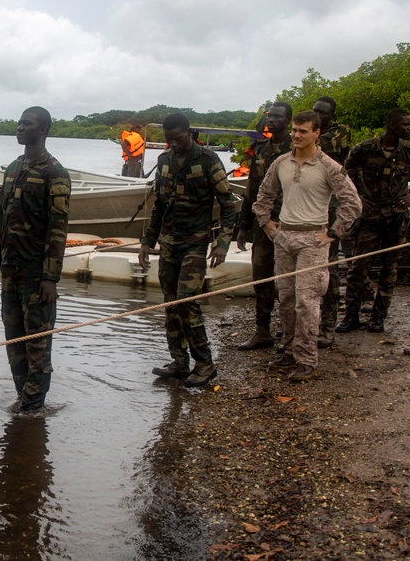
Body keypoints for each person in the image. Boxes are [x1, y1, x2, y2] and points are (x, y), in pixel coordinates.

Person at [253, 110, 361, 381]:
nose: (297, 135)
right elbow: (263, 195)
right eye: (295, 130)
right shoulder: (281, 163)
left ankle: (306, 357)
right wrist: (267, 223)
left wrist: (333, 233)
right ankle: (289, 350)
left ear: (316, 134)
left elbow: (352, 203)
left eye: (303, 131)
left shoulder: (329, 166)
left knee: (307, 301)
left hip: (313, 240)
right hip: (284, 237)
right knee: (287, 298)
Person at [137, 112, 236, 387]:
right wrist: (147, 242)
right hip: (169, 242)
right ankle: (179, 362)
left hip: (195, 242)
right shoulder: (164, 160)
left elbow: (228, 205)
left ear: (189, 134)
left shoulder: (207, 160)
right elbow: (158, 206)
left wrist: (222, 243)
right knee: (170, 304)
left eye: (178, 139)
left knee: (187, 301)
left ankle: (205, 364)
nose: (174, 145)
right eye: (169, 140)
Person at [0, 106, 71, 413]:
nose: (20, 128)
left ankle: (34, 406)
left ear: (42, 130)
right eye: (20, 122)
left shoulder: (54, 173)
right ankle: (24, 399)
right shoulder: (13, 168)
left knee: (37, 344)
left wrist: (50, 277)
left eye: (27, 124)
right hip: (11, 271)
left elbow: (58, 230)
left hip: (36, 275)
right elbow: (0, 222)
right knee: (14, 342)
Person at [336, 109, 410, 333]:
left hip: (395, 218)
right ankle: (350, 316)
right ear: (392, 126)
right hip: (368, 218)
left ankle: (378, 317)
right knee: (358, 267)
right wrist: (359, 196)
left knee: (389, 269)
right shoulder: (364, 148)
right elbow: (344, 173)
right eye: (407, 125)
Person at [235, 102, 292, 350]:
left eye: (278, 117)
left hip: (292, 222)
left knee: (293, 281)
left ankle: (292, 332)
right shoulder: (261, 150)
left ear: (288, 121)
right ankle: (262, 330)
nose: (272, 120)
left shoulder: (298, 148)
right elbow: (251, 190)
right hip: (262, 222)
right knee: (261, 275)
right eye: (270, 116)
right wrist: (243, 224)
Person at [312, 96, 351, 349]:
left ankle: (328, 324)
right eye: (315, 111)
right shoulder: (308, 134)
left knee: (329, 268)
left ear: (331, 115)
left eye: (323, 113)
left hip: (331, 208)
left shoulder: (340, 132)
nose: (319, 115)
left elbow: (319, 145)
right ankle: (306, 324)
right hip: (309, 205)